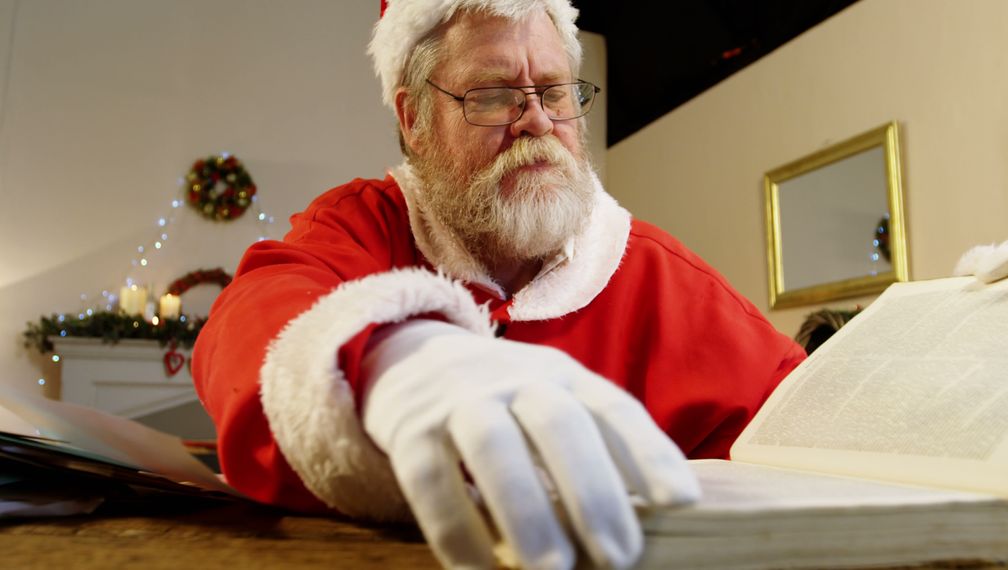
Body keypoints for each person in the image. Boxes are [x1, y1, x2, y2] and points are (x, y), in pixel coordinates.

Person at [192, 0, 806, 568]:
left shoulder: (660, 274)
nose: (536, 119)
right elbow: (248, 322)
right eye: (492, 95)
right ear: (414, 118)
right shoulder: (365, 223)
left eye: (555, 92)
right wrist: (384, 361)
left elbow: (800, 421)